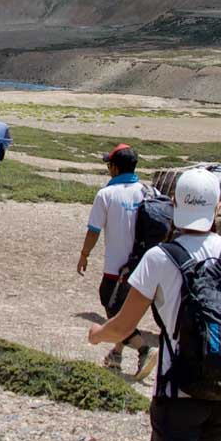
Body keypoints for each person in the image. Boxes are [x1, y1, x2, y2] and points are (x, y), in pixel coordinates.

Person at [89, 168, 221, 441]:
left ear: (173, 203)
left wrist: (97, 335)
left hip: (179, 392)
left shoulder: (159, 258)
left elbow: (122, 326)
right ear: (217, 206)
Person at [77, 143, 156, 378]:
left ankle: (144, 349)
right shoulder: (148, 192)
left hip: (116, 268)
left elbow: (94, 230)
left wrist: (84, 254)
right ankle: (115, 355)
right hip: (146, 266)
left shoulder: (106, 194)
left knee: (113, 310)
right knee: (126, 311)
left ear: (114, 168)